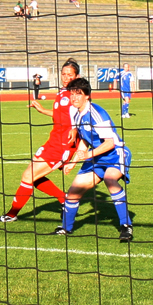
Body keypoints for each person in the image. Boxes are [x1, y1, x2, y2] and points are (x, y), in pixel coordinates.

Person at [0, 59, 84, 223]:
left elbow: (83, 115)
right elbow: (61, 115)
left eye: (70, 75)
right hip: (53, 140)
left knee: (28, 176)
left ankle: (11, 214)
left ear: (77, 76)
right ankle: (64, 199)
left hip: (64, 144)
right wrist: (42, 110)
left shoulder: (77, 94)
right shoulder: (62, 91)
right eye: (64, 74)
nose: (66, 78)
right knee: (33, 176)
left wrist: (76, 131)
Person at [55, 78, 135, 242]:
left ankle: (126, 226)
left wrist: (88, 156)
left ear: (87, 96)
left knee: (110, 179)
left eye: (78, 94)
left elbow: (110, 143)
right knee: (72, 194)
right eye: (72, 94)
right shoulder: (76, 113)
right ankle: (66, 228)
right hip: (96, 156)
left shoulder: (96, 113)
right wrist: (73, 162)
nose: (74, 98)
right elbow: (85, 141)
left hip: (115, 153)